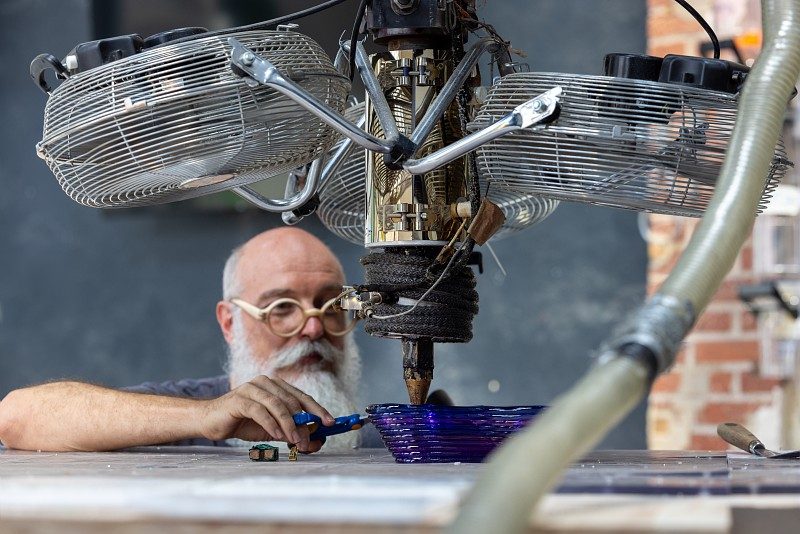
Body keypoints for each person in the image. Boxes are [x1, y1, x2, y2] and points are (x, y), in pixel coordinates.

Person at [0, 227, 362, 453]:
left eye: (330, 305)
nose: (314, 329)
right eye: (281, 308)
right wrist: (204, 416)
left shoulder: (379, 435)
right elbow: (15, 417)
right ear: (229, 323)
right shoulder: (185, 413)